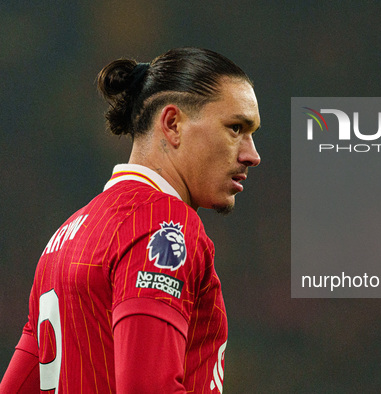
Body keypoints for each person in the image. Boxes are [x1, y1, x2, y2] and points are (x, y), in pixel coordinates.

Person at [0, 47, 261, 393]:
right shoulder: (166, 224)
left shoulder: (65, 235)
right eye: (235, 128)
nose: (252, 155)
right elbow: (146, 386)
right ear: (172, 124)